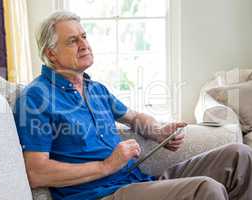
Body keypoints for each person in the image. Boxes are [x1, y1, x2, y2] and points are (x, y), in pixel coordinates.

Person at [13, 11, 252, 200]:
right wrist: (106, 165)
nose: (84, 44)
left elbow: (134, 117)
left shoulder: (95, 89)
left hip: (139, 182)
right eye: (73, 41)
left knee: (240, 155)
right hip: (103, 195)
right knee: (205, 190)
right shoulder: (36, 97)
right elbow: (36, 172)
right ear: (51, 54)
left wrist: (157, 131)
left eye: (84, 36)